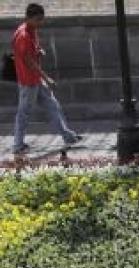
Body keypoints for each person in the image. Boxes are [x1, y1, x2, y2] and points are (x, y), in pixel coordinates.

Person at [12, 3, 82, 157]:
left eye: (42, 19)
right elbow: (29, 62)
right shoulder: (23, 35)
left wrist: (39, 51)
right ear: (29, 18)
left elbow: (32, 51)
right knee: (24, 113)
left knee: (53, 106)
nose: (40, 23)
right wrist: (47, 78)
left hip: (35, 80)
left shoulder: (31, 30)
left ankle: (68, 136)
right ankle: (17, 145)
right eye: (38, 19)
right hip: (29, 81)